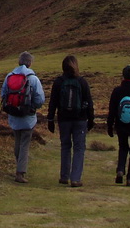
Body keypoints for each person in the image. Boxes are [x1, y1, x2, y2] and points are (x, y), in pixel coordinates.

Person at [46, 55, 95, 187]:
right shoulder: (82, 82)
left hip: (64, 119)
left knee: (65, 146)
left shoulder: (58, 82)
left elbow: (53, 102)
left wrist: (50, 119)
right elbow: (89, 103)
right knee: (79, 148)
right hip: (80, 119)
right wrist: (91, 120)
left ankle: (64, 176)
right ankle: (75, 178)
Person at [1, 51, 45, 183]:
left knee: (17, 141)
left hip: (13, 115)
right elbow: (40, 99)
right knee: (25, 144)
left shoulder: (9, 76)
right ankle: (20, 173)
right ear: (30, 63)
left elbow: (3, 94)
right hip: (28, 116)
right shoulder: (33, 78)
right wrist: (32, 107)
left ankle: (19, 166)